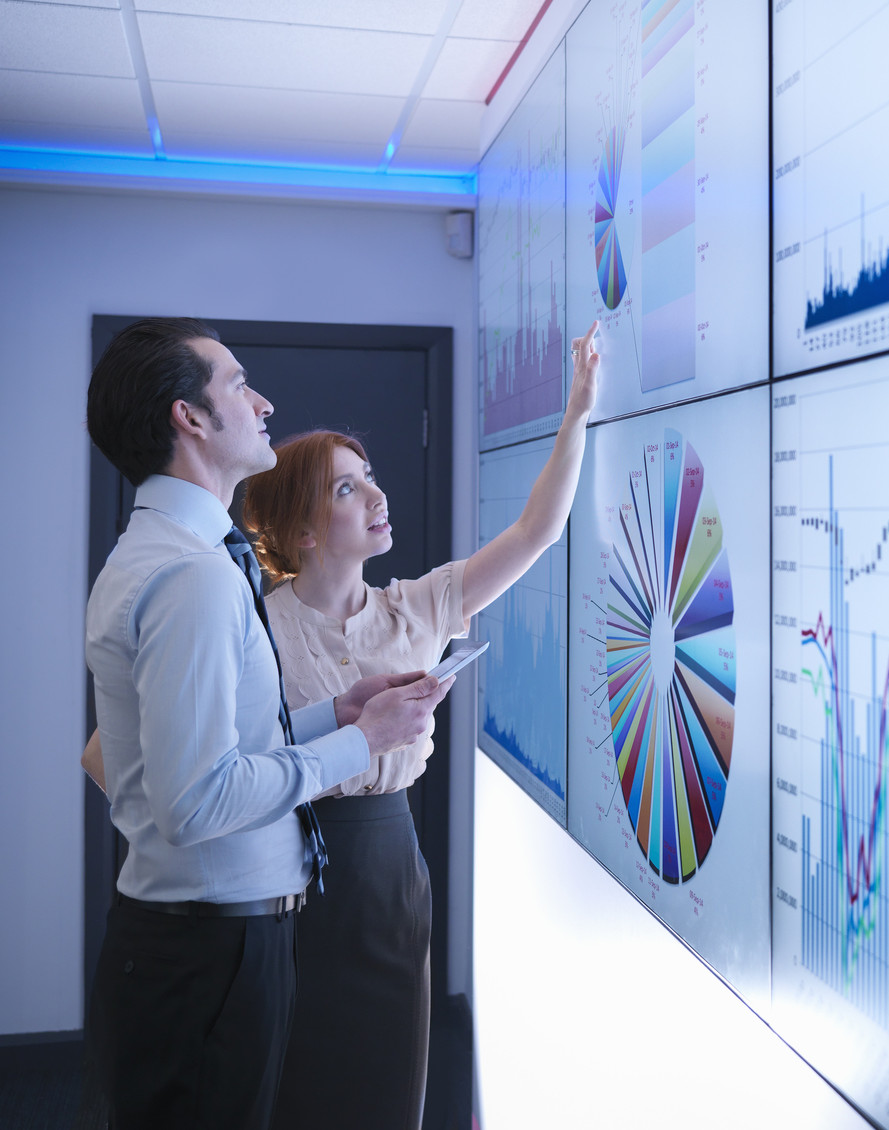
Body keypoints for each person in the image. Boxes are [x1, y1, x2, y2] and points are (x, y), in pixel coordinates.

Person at [83, 317, 451, 1130]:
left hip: (196, 947)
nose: (263, 401)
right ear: (190, 418)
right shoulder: (194, 577)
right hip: (209, 956)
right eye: (239, 384)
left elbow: (209, 752)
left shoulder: (171, 554)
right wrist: (361, 742)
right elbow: (196, 801)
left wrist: (334, 714)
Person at [241, 321, 601, 1130]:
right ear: (302, 530)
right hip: (285, 869)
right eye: (346, 489)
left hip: (390, 867)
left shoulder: (418, 606)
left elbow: (536, 532)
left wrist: (575, 414)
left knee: (387, 1079)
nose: (377, 496)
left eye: (370, 479)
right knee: (297, 1082)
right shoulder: (256, 626)